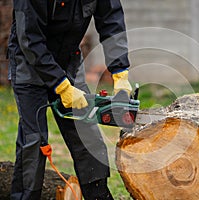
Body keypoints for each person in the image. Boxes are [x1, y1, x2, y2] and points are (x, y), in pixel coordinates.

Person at [7, 0, 132, 199]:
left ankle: (98, 194)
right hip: (30, 63)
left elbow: (111, 20)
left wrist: (120, 72)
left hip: (69, 61)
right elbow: (30, 39)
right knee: (34, 142)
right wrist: (62, 86)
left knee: (87, 135)